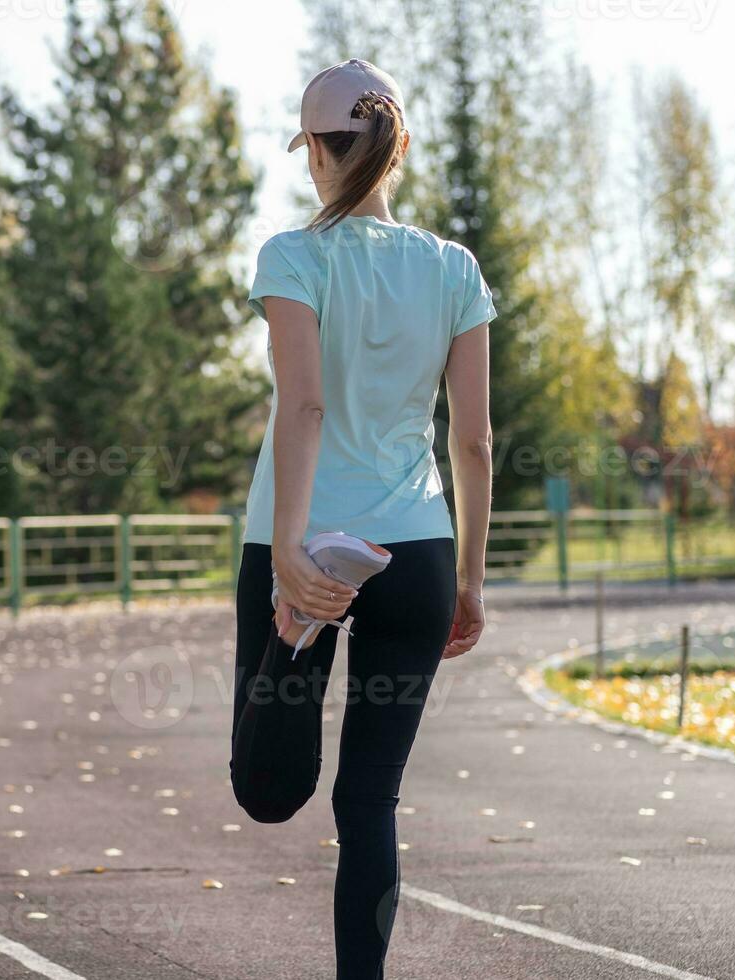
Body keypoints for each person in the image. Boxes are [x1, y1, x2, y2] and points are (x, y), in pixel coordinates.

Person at [229, 59, 495, 980]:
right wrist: (468, 579)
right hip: (415, 552)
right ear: (397, 148)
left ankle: (291, 637)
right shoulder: (453, 268)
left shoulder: (291, 257)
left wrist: (291, 564)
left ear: (315, 157)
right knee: (370, 799)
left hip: (295, 539)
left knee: (266, 792)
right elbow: (474, 442)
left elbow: (301, 408)